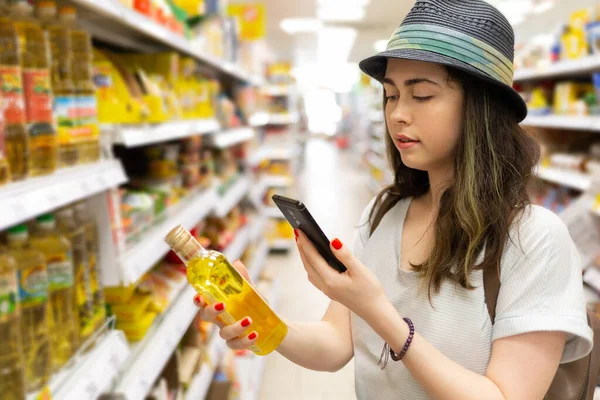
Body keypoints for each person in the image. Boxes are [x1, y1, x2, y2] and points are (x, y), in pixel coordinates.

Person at [193, 0, 594, 398]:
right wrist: (262, 319)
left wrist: (380, 315)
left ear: (481, 108)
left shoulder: (534, 239)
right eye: (390, 95)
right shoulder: (384, 213)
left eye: (421, 95)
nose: (397, 114)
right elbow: (336, 342)